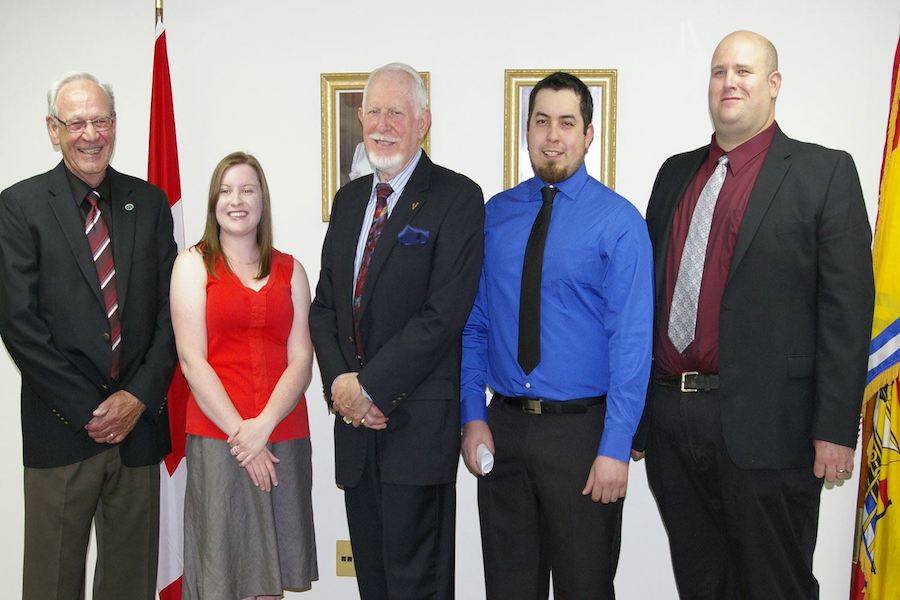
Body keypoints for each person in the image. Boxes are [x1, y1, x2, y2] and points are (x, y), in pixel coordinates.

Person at [633, 30, 874, 599]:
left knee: (775, 586)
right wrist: (638, 414)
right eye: (719, 72)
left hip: (773, 429)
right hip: (672, 420)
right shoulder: (674, 174)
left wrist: (835, 429)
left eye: (743, 71)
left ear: (773, 86)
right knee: (701, 584)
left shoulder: (824, 173)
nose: (728, 82)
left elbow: (846, 310)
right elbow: (645, 299)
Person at [460, 71, 654, 599]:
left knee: (584, 589)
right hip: (503, 431)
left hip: (583, 438)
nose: (552, 135)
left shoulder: (619, 222)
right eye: (541, 121)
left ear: (588, 134)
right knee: (508, 589)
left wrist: (616, 446)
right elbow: (475, 326)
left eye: (567, 123)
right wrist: (472, 418)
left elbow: (632, 343)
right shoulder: (494, 216)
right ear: (526, 131)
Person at [308, 62, 484, 599]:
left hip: (415, 431)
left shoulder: (457, 197)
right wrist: (342, 386)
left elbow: (443, 315)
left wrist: (370, 388)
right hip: (357, 434)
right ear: (360, 116)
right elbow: (323, 309)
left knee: (418, 589)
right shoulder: (349, 200)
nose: (384, 124)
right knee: (375, 587)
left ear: (423, 120)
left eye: (397, 112)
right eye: (375, 111)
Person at [0, 72, 177, 599]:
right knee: (52, 584)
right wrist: (92, 412)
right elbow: (19, 324)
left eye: (100, 120)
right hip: (62, 431)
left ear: (115, 125)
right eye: (75, 122)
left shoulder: (149, 203)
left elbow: (175, 315)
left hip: (138, 432)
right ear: (53, 130)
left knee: (129, 585)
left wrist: (137, 398)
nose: (90, 133)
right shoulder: (20, 206)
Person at [170, 152, 317, 600]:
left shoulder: (292, 270)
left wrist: (264, 427)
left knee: (271, 577)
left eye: (248, 190)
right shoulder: (191, 266)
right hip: (220, 440)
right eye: (227, 190)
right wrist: (243, 436)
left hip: (283, 436)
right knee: (224, 573)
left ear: (262, 201)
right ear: (214, 201)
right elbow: (192, 362)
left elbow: (302, 358)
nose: (237, 200)